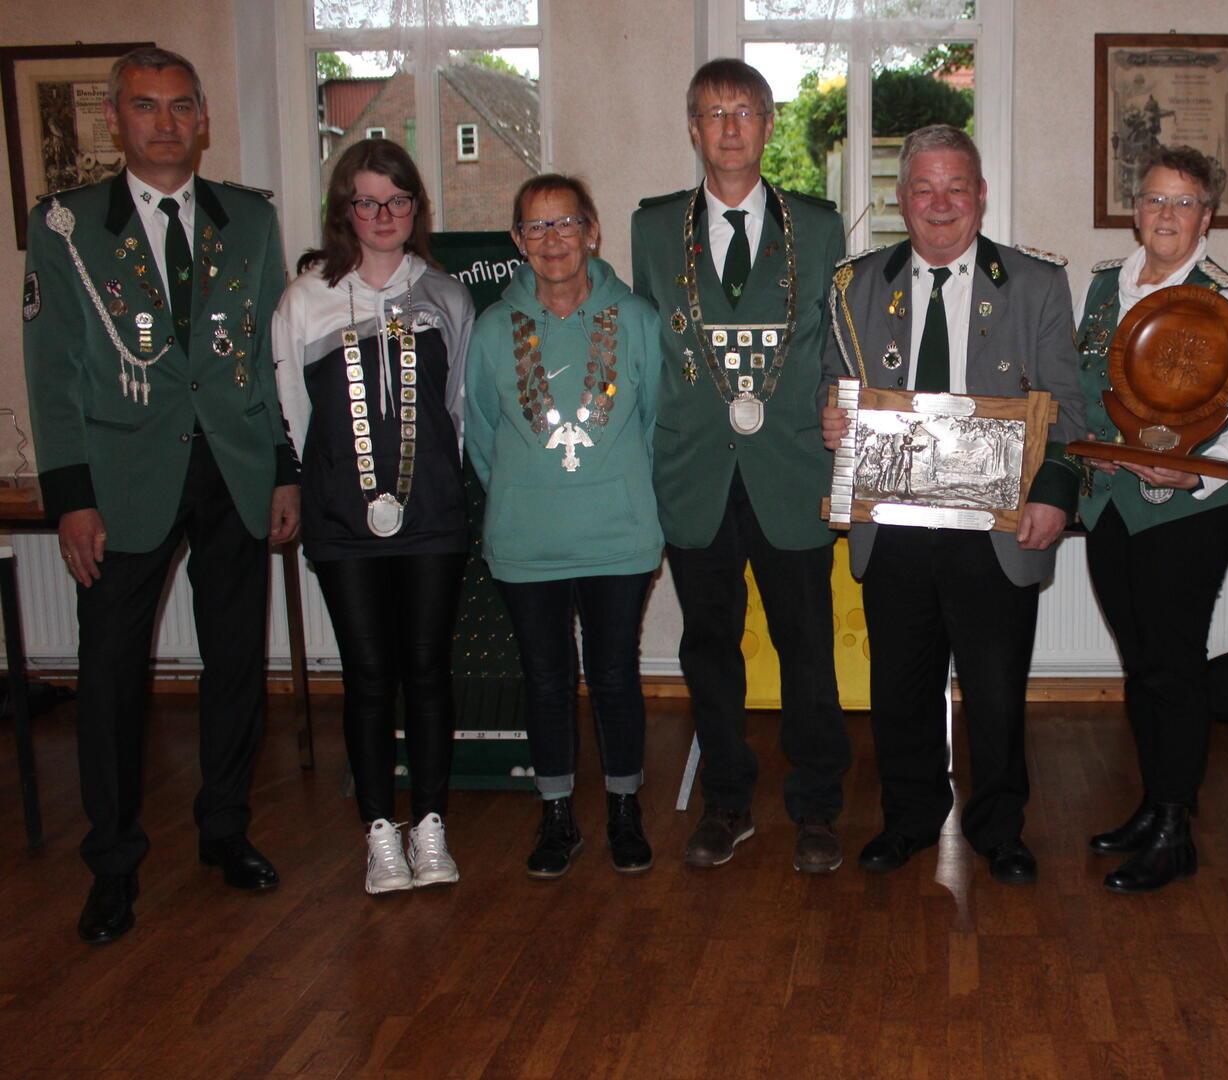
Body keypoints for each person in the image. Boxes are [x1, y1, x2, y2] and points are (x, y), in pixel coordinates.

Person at [23, 47, 297, 944]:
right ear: (116, 120)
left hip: (233, 469)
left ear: (203, 117)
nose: (167, 123)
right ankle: (111, 863)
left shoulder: (248, 221)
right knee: (108, 677)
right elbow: (54, 369)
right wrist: (70, 495)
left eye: (182, 106)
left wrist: (284, 467)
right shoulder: (65, 226)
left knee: (233, 666)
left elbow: (261, 360)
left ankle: (225, 829)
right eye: (146, 107)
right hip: (121, 481)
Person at [821, 124, 1084, 885]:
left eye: (956, 189)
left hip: (997, 532)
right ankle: (907, 820)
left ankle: (1000, 828)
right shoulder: (856, 286)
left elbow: (1068, 405)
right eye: (925, 189)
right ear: (900, 199)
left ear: (981, 196)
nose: (941, 205)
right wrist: (830, 415)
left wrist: (1054, 496)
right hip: (893, 522)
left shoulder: (1034, 284)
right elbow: (834, 382)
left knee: (997, 690)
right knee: (900, 687)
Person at [629, 59, 852, 875]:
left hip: (790, 470)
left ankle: (818, 805)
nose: (729, 126)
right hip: (695, 476)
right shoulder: (652, 229)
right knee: (709, 646)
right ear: (693, 129)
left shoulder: (819, 229)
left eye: (746, 111)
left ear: (768, 124)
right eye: (713, 112)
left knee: (807, 647)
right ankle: (727, 802)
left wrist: (843, 409)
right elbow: (649, 348)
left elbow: (839, 347)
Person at [1076, 145, 1228, 894]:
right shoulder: (1105, 287)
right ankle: (1153, 802)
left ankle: (1176, 829)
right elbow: (1089, 390)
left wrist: (1195, 474)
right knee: (1141, 664)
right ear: (1137, 208)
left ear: (1208, 216)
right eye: (1155, 200)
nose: (1167, 215)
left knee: (1174, 664)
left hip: (1191, 512)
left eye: (1184, 202)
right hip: (1112, 506)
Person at [272, 139, 474, 895]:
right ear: (344, 211)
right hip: (342, 521)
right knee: (366, 675)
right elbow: (292, 416)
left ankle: (429, 827)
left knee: (425, 670)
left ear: (416, 208)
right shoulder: (306, 299)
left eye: (398, 201)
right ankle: (378, 834)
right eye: (367, 201)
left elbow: (456, 415)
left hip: (429, 517)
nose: (383, 215)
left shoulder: (447, 297)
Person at [466, 175, 665, 879]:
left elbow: (653, 426)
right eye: (536, 228)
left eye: (566, 224)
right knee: (545, 679)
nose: (553, 241)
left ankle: (623, 810)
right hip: (527, 541)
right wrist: (528, 495)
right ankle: (556, 815)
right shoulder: (492, 330)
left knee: (614, 676)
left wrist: (611, 491)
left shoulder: (637, 320)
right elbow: (483, 439)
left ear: (593, 231)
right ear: (518, 241)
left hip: (619, 537)